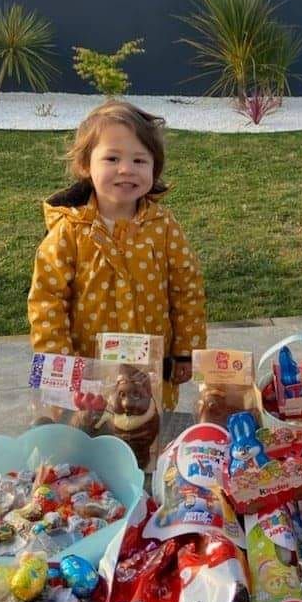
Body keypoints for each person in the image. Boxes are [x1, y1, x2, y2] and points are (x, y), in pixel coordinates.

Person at [28, 100, 206, 408]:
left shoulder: (164, 227)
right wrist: (62, 365)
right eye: (112, 158)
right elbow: (47, 301)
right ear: (85, 165)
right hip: (88, 378)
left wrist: (185, 352)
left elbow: (186, 290)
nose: (126, 169)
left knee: (145, 435)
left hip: (149, 374)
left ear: (154, 168)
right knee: (92, 438)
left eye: (139, 160)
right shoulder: (69, 231)